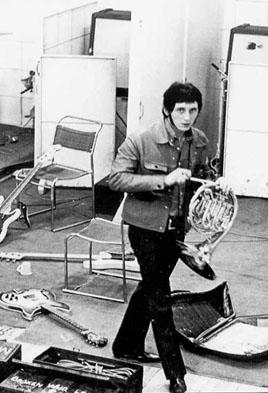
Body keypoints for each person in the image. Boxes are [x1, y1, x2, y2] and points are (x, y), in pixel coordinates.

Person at [109, 81, 230, 393]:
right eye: (181, 110)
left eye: (192, 110)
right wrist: (163, 180)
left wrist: (217, 183)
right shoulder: (141, 140)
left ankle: (125, 346)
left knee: (150, 287)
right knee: (160, 297)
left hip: (177, 229)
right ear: (167, 110)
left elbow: (203, 177)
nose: (187, 116)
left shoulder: (200, 141)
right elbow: (116, 179)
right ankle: (175, 374)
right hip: (145, 228)